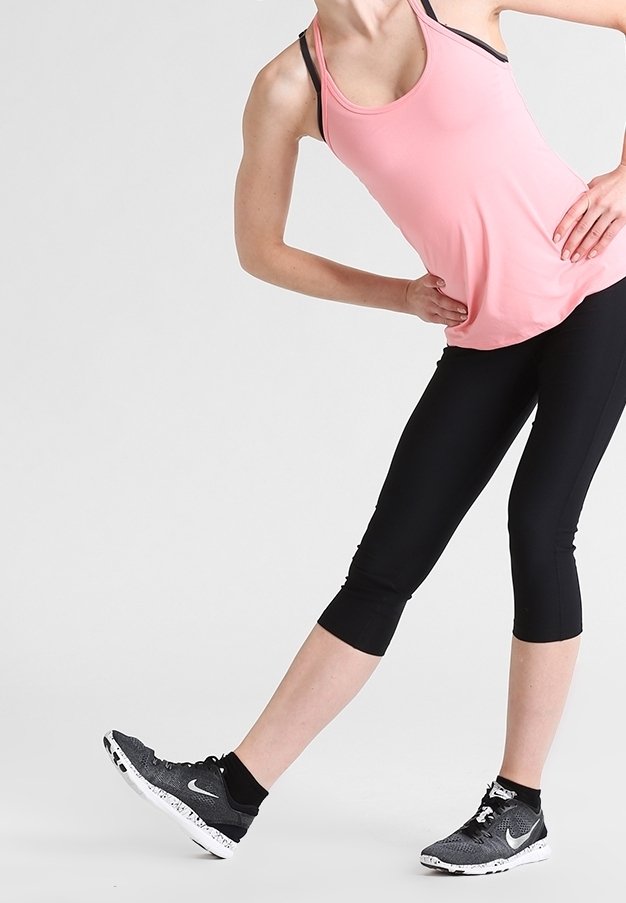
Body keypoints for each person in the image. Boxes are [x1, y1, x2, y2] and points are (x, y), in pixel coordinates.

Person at [103, 0, 626, 875]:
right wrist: (401, 294)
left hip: (595, 293)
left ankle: (519, 805)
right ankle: (233, 792)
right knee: (384, 566)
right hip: (481, 332)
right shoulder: (287, 85)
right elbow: (259, 249)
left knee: (538, 525)